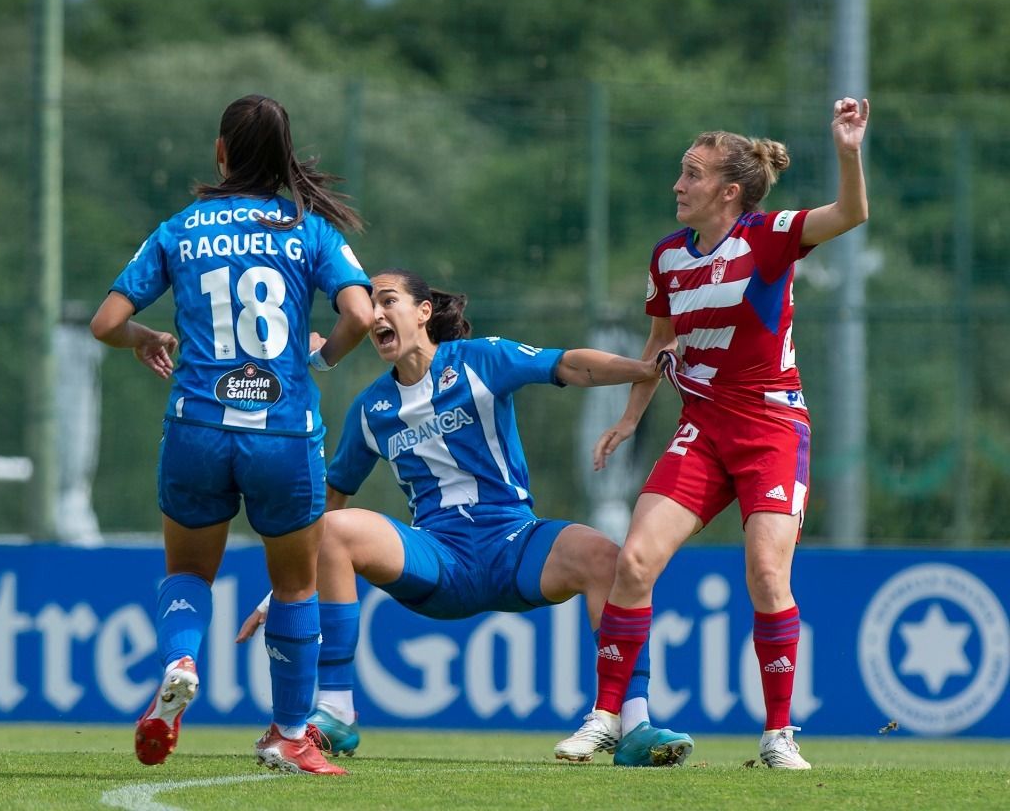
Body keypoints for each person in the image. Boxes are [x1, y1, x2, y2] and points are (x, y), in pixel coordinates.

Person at [238, 269, 695, 767]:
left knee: (607, 558)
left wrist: (643, 368)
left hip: (513, 544)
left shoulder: (481, 360)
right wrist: (280, 590)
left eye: (388, 300)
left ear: (423, 312)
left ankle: (632, 724)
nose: (376, 315)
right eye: (370, 307)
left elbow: (569, 365)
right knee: (335, 529)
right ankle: (336, 713)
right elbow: (330, 505)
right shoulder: (371, 409)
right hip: (440, 561)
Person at [90, 94, 375, 775]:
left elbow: (104, 322)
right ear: (283, 158)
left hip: (197, 428)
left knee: (188, 572)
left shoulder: (182, 229)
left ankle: (181, 660)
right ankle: (288, 735)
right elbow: (361, 315)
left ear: (220, 152)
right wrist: (322, 359)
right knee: (297, 586)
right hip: (282, 432)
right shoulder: (309, 231)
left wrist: (145, 337)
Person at [586, 98, 871, 770]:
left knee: (768, 573)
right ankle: (604, 718)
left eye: (691, 174)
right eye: (680, 173)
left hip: (772, 427)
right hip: (703, 428)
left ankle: (778, 735)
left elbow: (853, 215)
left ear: (728, 190)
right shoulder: (667, 258)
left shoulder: (769, 235)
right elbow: (661, 347)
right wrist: (630, 418)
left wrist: (848, 149)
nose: (677, 186)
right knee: (633, 562)